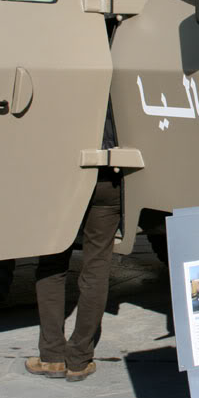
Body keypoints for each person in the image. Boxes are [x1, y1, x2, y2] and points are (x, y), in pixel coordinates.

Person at [27, 116, 122, 382]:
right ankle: (79, 359)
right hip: (109, 174)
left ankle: (51, 356)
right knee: (96, 267)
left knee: (52, 263)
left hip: (62, 173)